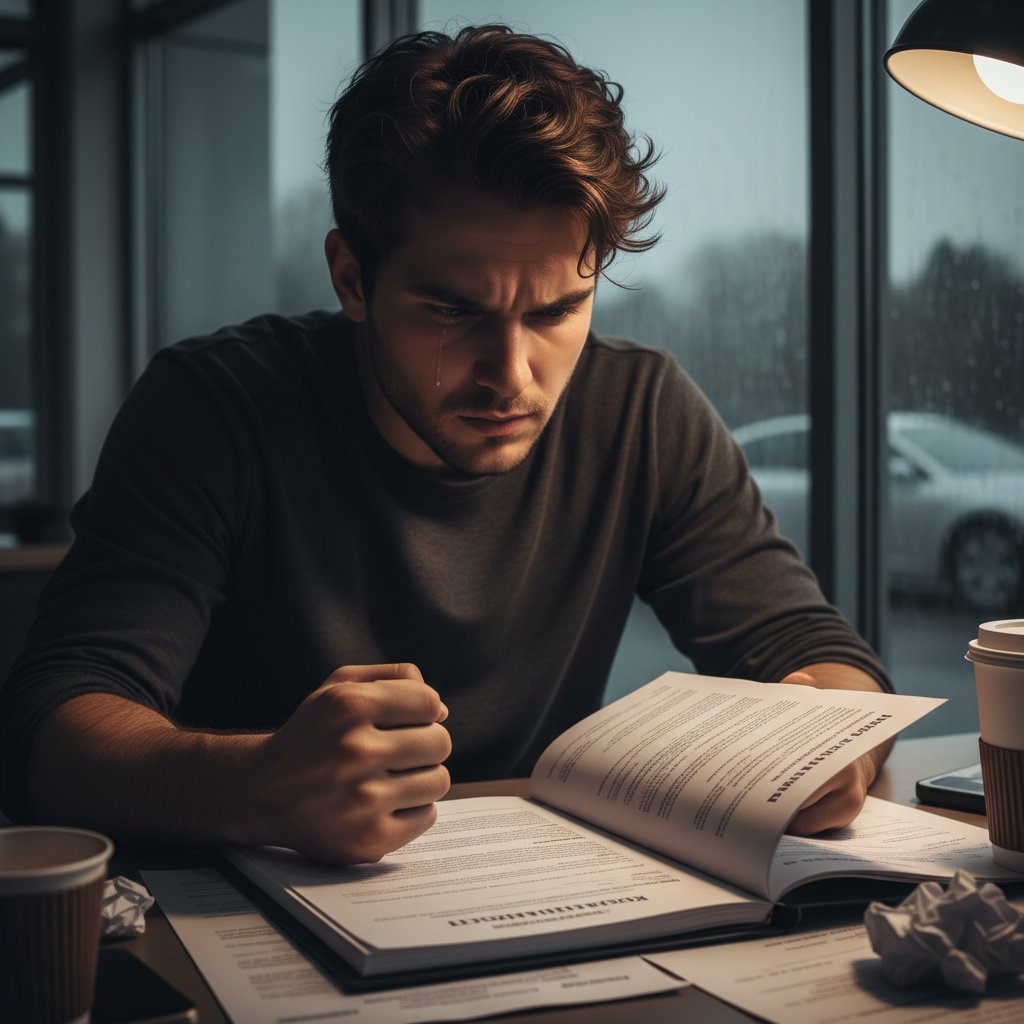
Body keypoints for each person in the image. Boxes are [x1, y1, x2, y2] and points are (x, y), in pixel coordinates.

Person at [0, 24, 892, 864]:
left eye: (556, 311)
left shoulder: (641, 409)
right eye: (454, 312)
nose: (512, 375)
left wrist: (830, 741)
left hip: (546, 900)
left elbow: (816, 651)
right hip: (243, 914)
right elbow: (53, 726)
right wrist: (259, 786)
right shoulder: (215, 408)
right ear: (352, 277)